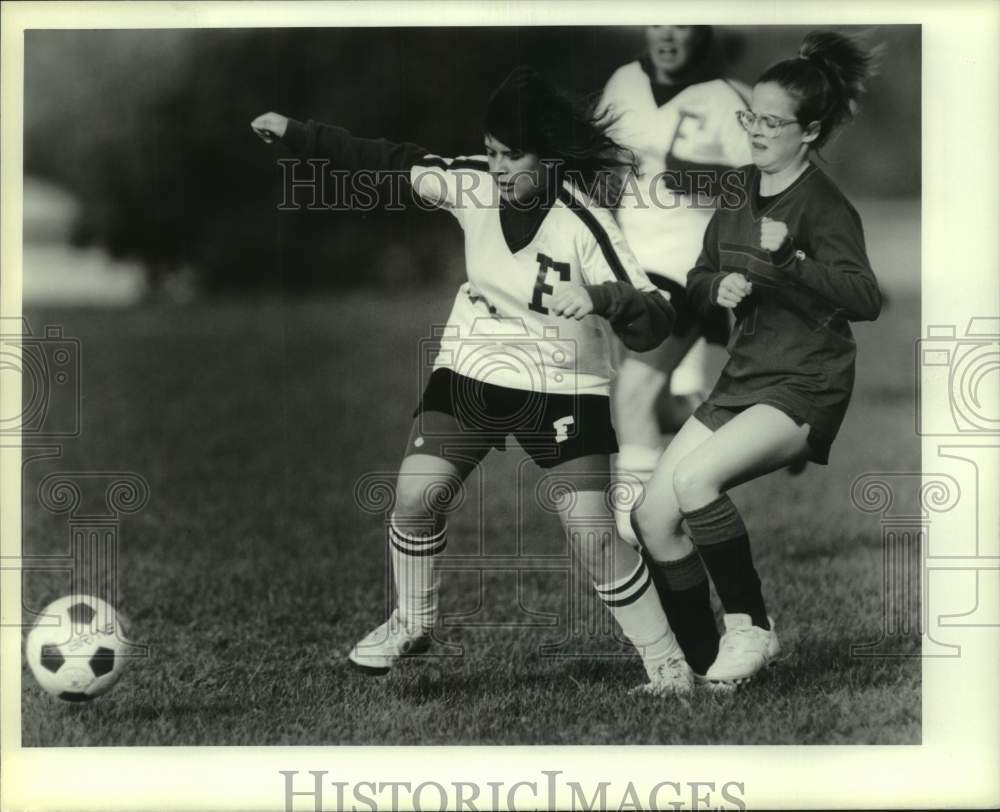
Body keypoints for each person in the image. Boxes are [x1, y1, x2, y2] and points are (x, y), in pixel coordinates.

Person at [251, 67, 697, 695]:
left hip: (562, 383)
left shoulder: (585, 222)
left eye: (511, 155)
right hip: (474, 364)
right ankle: (414, 624)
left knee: (594, 537)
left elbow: (657, 320)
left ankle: (667, 667)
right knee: (415, 496)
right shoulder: (472, 184)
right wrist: (300, 134)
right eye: (490, 151)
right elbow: (386, 161)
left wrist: (602, 297)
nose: (498, 167)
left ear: (547, 157)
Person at [631, 31, 883, 687]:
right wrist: (718, 288)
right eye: (753, 117)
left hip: (807, 384)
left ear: (810, 130)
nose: (757, 130)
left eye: (772, 122)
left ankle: (751, 630)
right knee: (652, 516)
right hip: (744, 379)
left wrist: (793, 262)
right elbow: (699, 272)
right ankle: (689, 672)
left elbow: (865, 298)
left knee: (693, 485)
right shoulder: (739, 188)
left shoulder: (824, 205)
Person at [599, 25, 753, 677]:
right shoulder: (623, 84)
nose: (666, 30)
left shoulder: (726, 99)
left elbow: (761, 186)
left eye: (682, 18)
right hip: (628, 274)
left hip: (689, 276)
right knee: (657, 409)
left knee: (630, 397)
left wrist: (707, 178)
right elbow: (599, 169)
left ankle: (634, 534)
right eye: (656, 17)